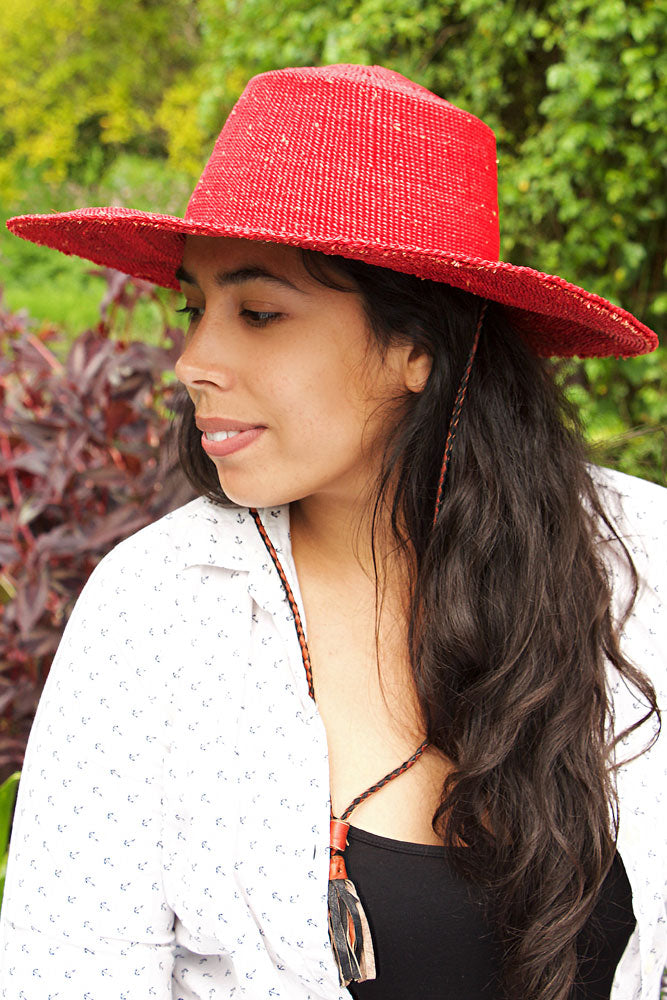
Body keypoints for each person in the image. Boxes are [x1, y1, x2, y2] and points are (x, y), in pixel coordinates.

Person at [0, 63, 664, 1000]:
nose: (193, 359)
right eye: (194, 307)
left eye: (259, 313)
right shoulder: (155, 619)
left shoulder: (641, 564)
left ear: (416, 346)